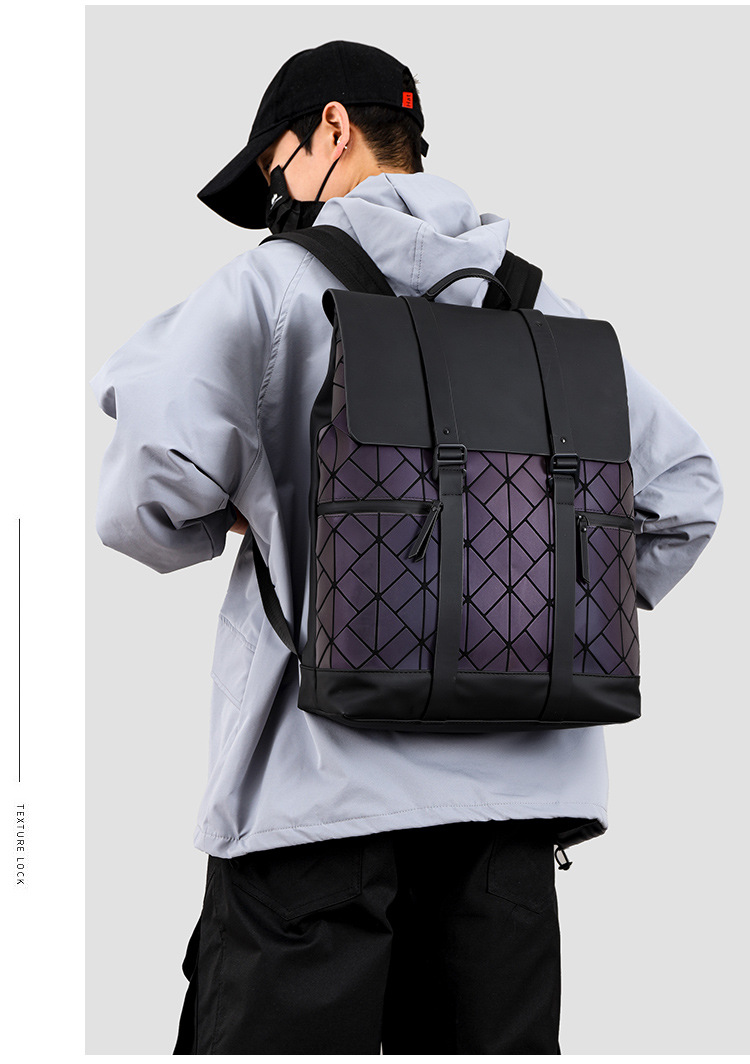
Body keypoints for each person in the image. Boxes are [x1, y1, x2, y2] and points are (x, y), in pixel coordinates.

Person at [89, 40, 724, 1055]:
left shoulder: (269, 289)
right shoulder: (539, 308)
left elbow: (140, 501)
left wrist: (237, 515)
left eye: (275, 170)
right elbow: (685, 496)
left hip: (314, 806)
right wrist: (542, 597)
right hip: (511, 826)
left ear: (332, 129)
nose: (277, 200)